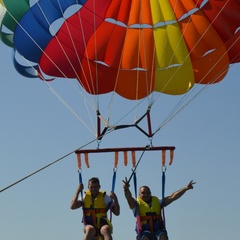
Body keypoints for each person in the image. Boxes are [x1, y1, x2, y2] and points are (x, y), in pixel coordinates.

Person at [123, 178, 196, 240]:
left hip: (158, 230)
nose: (146, 194)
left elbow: (172, 197)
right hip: (144, 231)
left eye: (148, 192)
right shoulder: (135, 204)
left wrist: (185, 188)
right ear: (139, 195)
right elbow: (128, 197)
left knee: (163, 237)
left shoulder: (157, 201)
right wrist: (126, 189)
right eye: (143, 193)